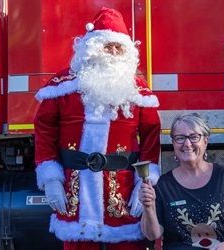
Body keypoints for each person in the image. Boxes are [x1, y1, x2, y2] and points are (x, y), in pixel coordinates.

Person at [34, 7, 161, 250]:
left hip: (121, 188)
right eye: (107, 47)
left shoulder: (138, 91)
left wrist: (144, 183)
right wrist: (50, 177)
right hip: (75, 187)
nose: (113, 53)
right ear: (91, 48)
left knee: (126, 244)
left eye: (118, 48)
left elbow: (151, 137)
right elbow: (44, 130)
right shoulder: (62, 86)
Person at [139, 113, 224, 250]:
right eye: (180, 138)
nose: (187, 144)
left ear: (205, 141)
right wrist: (148, 207)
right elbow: (152, 234)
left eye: (194, 137)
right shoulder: (163, 185)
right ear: (173, 143)